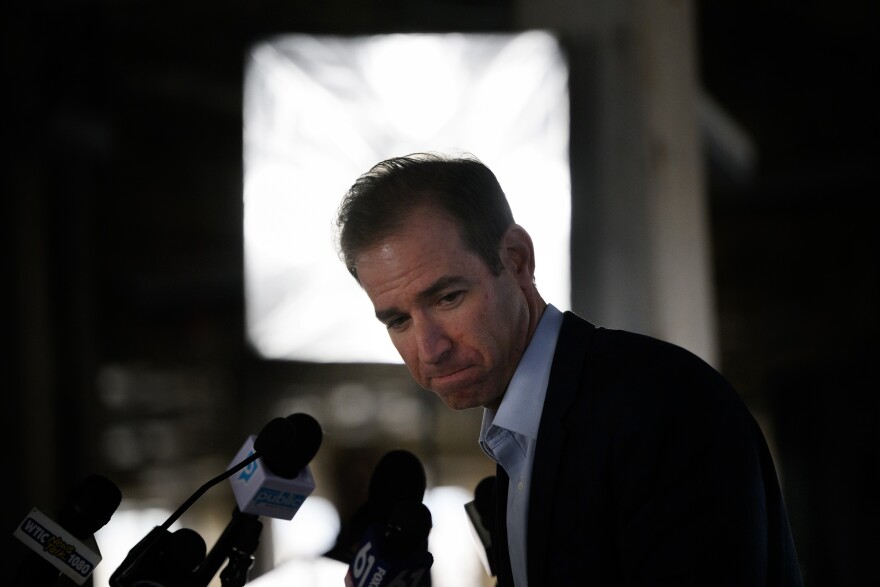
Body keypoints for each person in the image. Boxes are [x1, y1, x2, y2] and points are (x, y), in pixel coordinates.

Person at [333, 151, 802, 585]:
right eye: (398, 320)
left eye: (447, 297)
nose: (428, 348)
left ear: (516, 262)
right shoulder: (521, 441)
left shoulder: (660, 405)